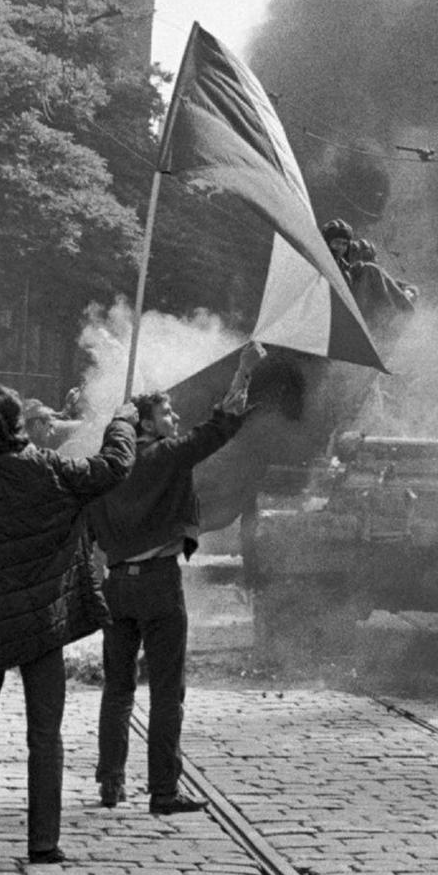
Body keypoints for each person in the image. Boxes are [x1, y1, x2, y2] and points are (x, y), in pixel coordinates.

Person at [0, 386, 137, 866]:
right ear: (19, 425)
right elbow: (112, 468)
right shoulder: (50, 469)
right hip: (42, 623)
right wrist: (122, 422)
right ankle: (43, 843)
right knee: (46, 735)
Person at [87, 343, 263, 815]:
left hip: (117, 586)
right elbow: (219, 428)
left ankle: (110, 782)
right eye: (167, 413)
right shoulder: (164, 456)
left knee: (117, 688)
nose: (175, 419)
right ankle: (163, 791)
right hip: (159, 586)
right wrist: (243, 373)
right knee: (167, 690)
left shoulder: (106, 466)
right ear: (144, 424)